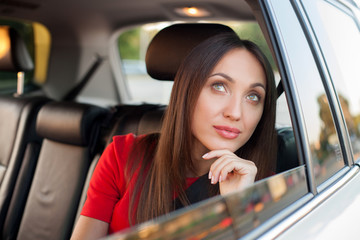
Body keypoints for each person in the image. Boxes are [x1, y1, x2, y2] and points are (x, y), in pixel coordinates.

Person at [71, 32, 277, 239]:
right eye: (219, 86)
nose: (235, 113)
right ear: (187, 91)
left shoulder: (264, 185)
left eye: (253, 97)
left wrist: (238, 205)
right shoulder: (123, 155)